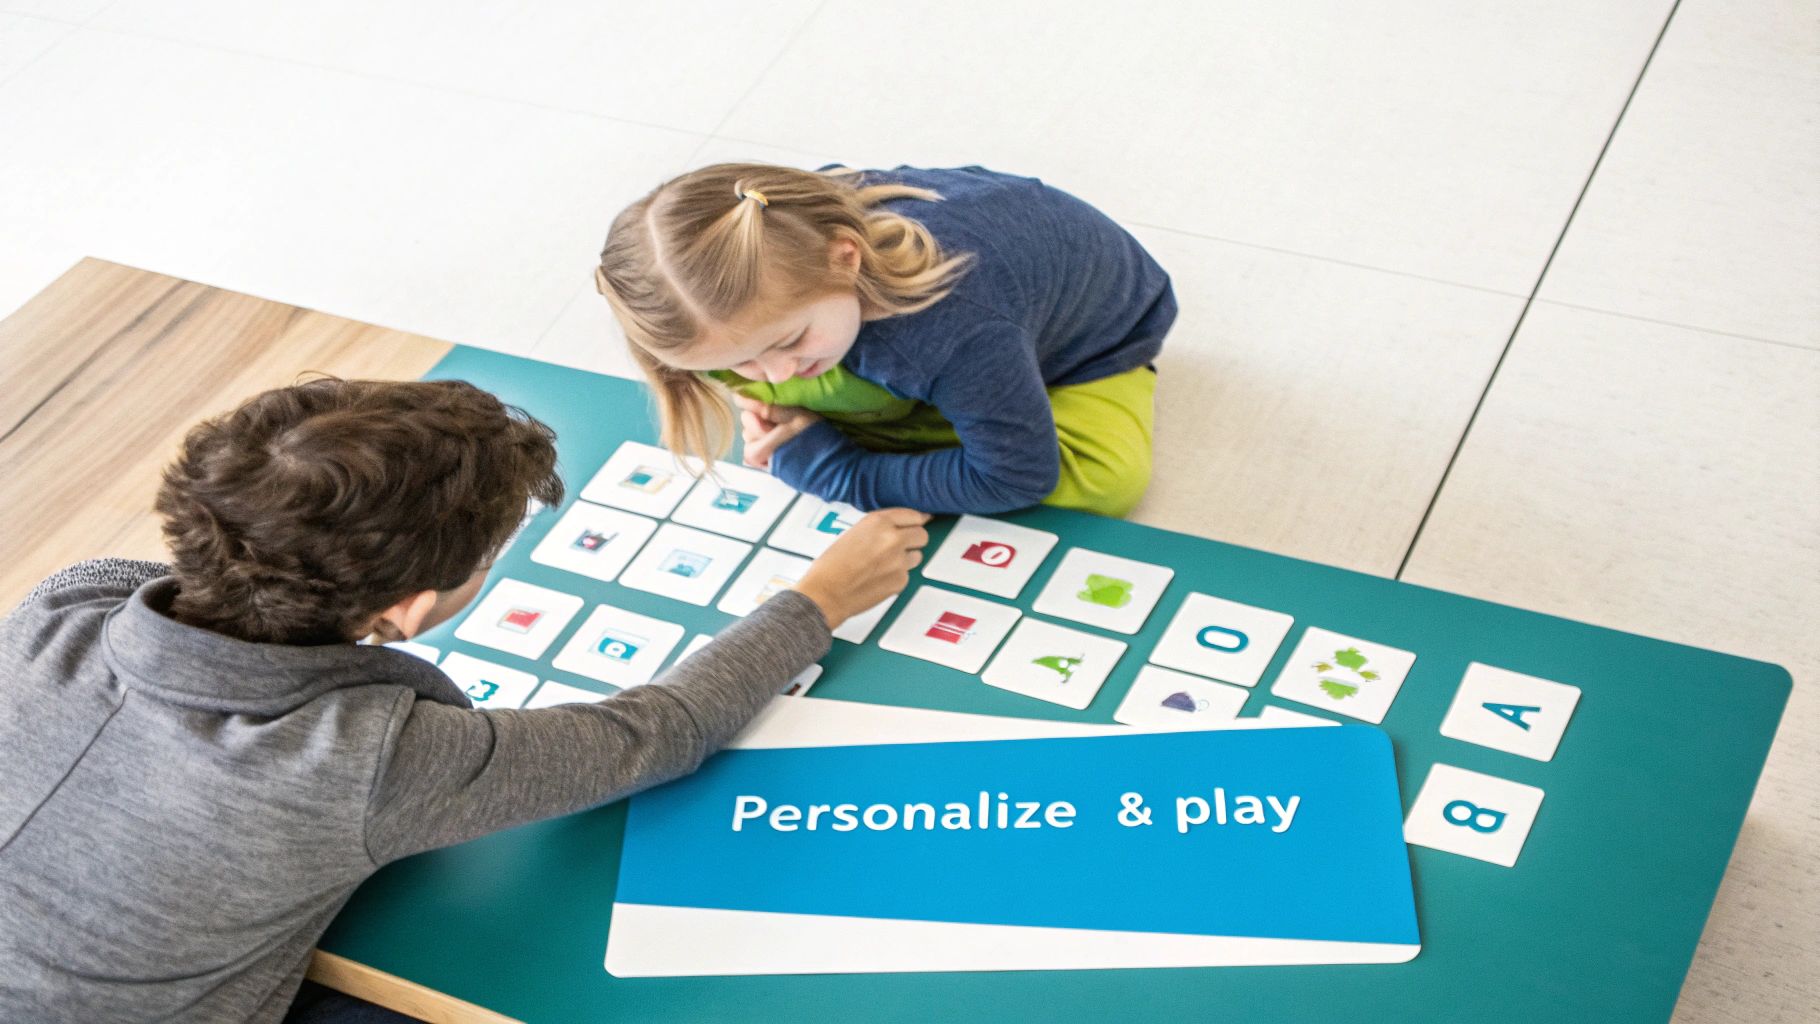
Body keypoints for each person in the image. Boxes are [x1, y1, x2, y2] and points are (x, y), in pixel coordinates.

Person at [0, 377, 928, 1023]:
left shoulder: (64, 599)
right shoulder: (368, 756)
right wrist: (820, 600)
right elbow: (654, 733)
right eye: (492, 554)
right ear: (406, 610)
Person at [595, 162, 1177, 519]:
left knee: (1109, 481)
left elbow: (1017, 478)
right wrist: (759, 364)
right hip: (924, 330)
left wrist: (843, 472)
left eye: (789, 340)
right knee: (768, 361)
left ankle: (908, 412)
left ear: (844, 258)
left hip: (1090, 347)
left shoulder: (953, 330)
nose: (771, 374)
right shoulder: (779, 228)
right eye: (742, 362)